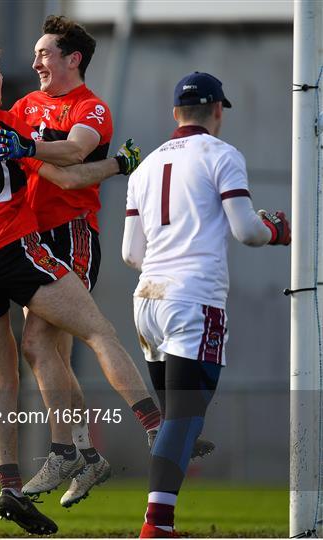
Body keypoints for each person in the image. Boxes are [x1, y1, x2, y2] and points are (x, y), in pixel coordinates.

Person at [0, 41, 155, 536]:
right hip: (9, 250)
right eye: (0, 71)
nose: (8, 76)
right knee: (97, 330)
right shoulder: (6, 123)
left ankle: (12, 484)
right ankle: (153, 426)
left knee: (5, 380)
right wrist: (120, 165)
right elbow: (63, 173)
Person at [121, 72, 291, 538]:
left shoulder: (145, 167)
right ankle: (158, 526)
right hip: (192, 300)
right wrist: (278, 229)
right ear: (218, 110)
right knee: (184, 415)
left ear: (175, 112)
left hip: (147, 303)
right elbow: (248, 231)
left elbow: (130, 255)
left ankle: (161, 518)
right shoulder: (222, 154)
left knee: (178, 418)